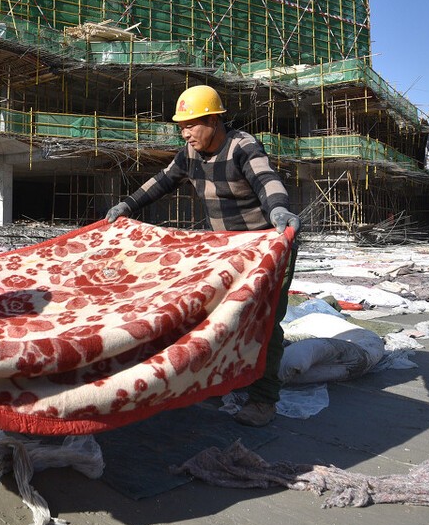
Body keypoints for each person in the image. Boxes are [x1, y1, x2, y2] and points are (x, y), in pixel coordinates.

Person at [104, 84, 300, 427]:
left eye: (191, 124)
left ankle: (263, 399)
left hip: (267, 248)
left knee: (264, 324)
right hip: (228, 252)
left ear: (213, 119)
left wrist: (280, 211)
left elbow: (268, 181)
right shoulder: (189, 154)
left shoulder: (243, 146)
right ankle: (220, 380)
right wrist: (127, 205)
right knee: (217, 319)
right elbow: (161, 181)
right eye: (182, 126)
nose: (185, 132)